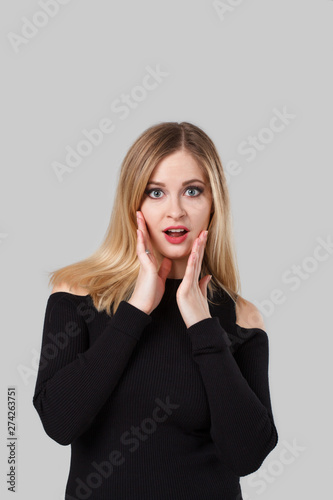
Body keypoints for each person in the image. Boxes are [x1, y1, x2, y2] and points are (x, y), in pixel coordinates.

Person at [33, 121, 278, 500]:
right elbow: (59, 423)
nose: (175, 211)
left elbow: (247, 455)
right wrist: (136, 309)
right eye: (156, 192)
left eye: (192, 191)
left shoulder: (241, 318)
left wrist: (201, 324)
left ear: (213, 205)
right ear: (135, 202)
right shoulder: (79, 294)